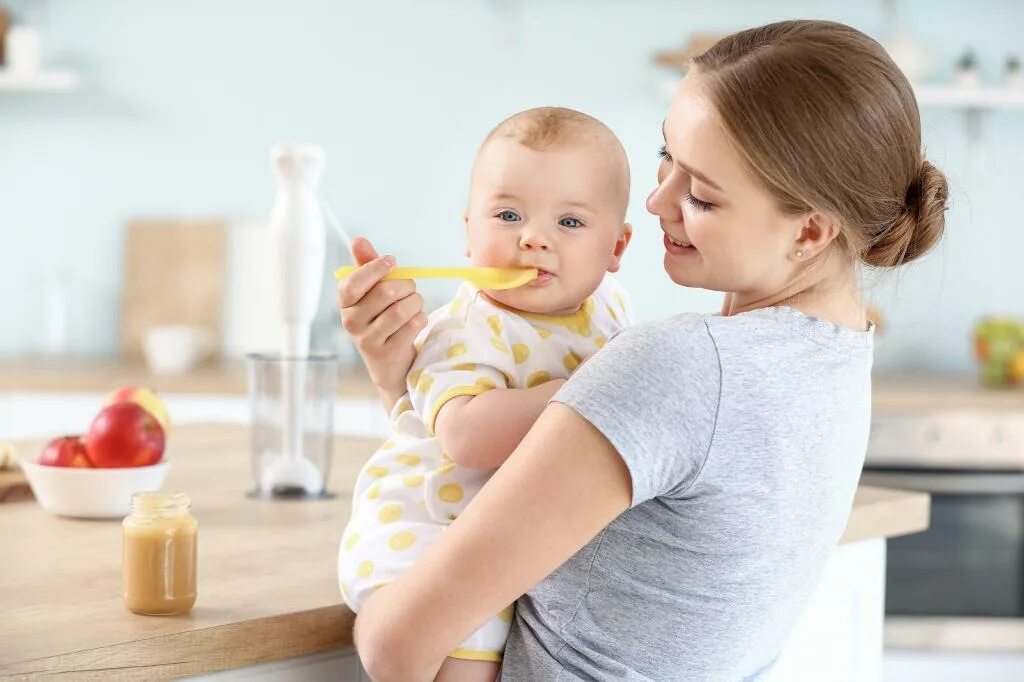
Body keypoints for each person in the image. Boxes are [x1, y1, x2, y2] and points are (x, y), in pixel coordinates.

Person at [337, 20, 948, 681]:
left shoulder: (678, 368)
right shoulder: (840, 355)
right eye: (666, 154)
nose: (657, 200)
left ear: (809, 231)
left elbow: (396, 646)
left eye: (701, 195)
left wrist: (375, 594)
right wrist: (401, 379)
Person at [337, 106, 633, 682]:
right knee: (471, 657)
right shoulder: (466, 327)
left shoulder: (610, 307)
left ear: (616, 248)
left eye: (570, 222)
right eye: (507, 215)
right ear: (469, 232)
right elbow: (466, 435)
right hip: (428, 533)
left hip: (504, 535)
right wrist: (588, 390)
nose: (534, 238)